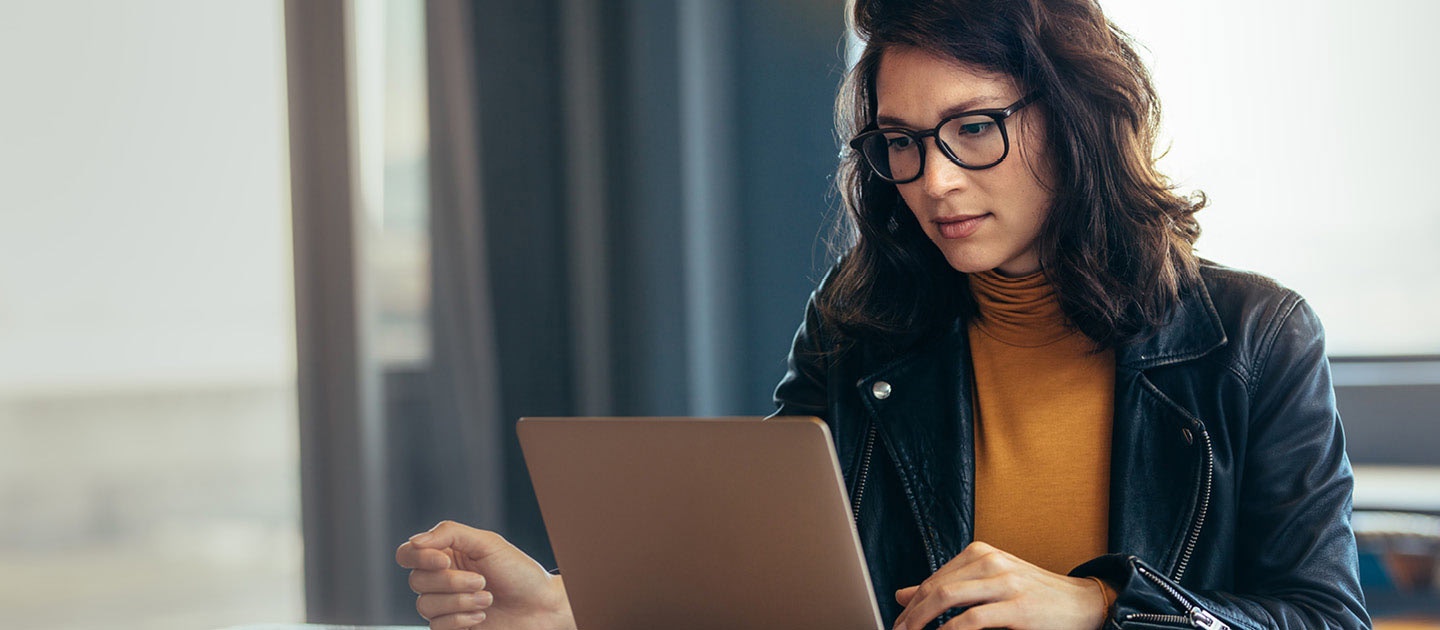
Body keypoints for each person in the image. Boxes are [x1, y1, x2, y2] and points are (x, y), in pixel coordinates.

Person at [396, 0, 1371, 628]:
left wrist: (1096, 607)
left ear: (1077, 120)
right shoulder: (861, 320)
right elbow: (770, 578)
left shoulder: (1253, 337)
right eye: (902, 142)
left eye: (974, 129)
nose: (934, 181)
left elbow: (1323, 619)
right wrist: (569, 609)